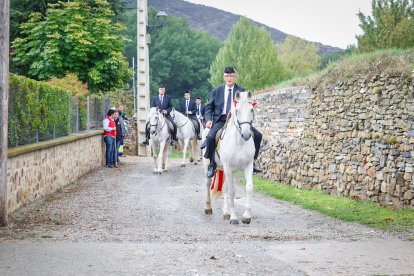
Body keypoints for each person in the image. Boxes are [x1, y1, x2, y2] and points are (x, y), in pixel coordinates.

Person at [202, 67, 263, 178]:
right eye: (227, 76)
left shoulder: (242, 90)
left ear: (235, 77)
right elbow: (209, 107)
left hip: (238, 120)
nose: (229, 78)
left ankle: (252, 162)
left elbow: (247, 105)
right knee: (210, 137)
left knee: (258, 135)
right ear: (224, 77)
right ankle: (212, 163)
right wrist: (208, 120)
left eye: (231, 76)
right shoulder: (216, 91)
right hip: (221, 120)